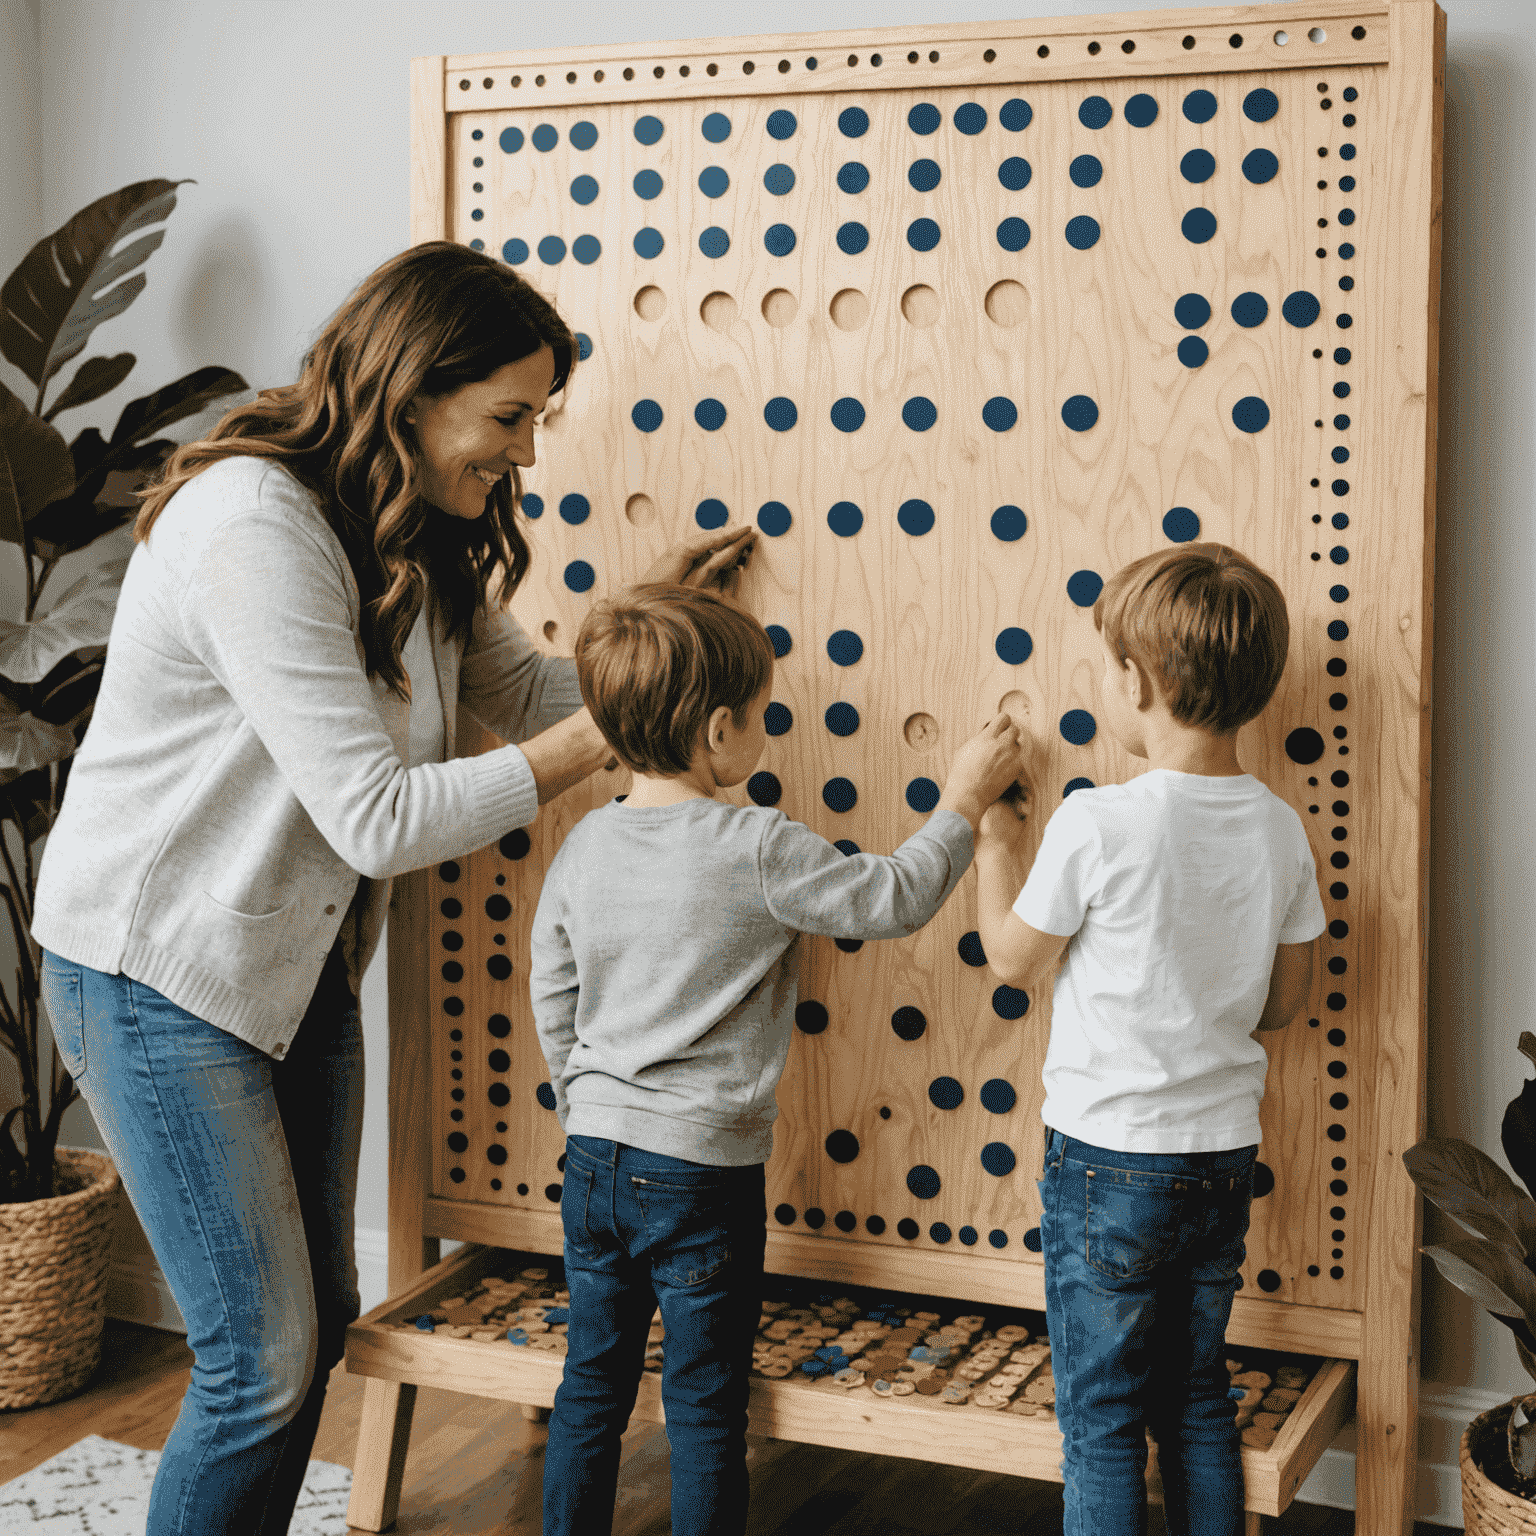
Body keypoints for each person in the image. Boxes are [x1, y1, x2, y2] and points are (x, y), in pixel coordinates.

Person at [30, 242, 754, 1536]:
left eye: (538, 419)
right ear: (415, 393)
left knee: (316, 1326)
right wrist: (608, 738)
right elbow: (374, 816)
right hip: (156, 969)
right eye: (509, 417)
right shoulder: (254, 525)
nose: (527, 453)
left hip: (287, 965)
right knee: (259, 1361)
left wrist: (669, 652)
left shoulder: (420, 528)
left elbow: (524, 695)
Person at [528, 582, 1027, 1536]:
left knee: (590, 1386)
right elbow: (890, 900)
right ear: (720, 731)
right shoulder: (756, 843)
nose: (766, 731)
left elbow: (552, 988)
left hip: (593, 1157)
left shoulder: (585, 844)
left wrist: (584, 1100)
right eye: (763, 716)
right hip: (702, 1173)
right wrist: (962, 801)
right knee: (706, 1403)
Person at [971, 543, 1325, 1536]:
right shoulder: (1280, 831)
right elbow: (1281, 1004)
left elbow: (1010, 958)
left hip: (1108, 1165)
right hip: (1218, 1157)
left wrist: (997, 844)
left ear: (1135, 680)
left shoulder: (1096, 821)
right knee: (1197, 1402)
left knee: (1103, 1423)